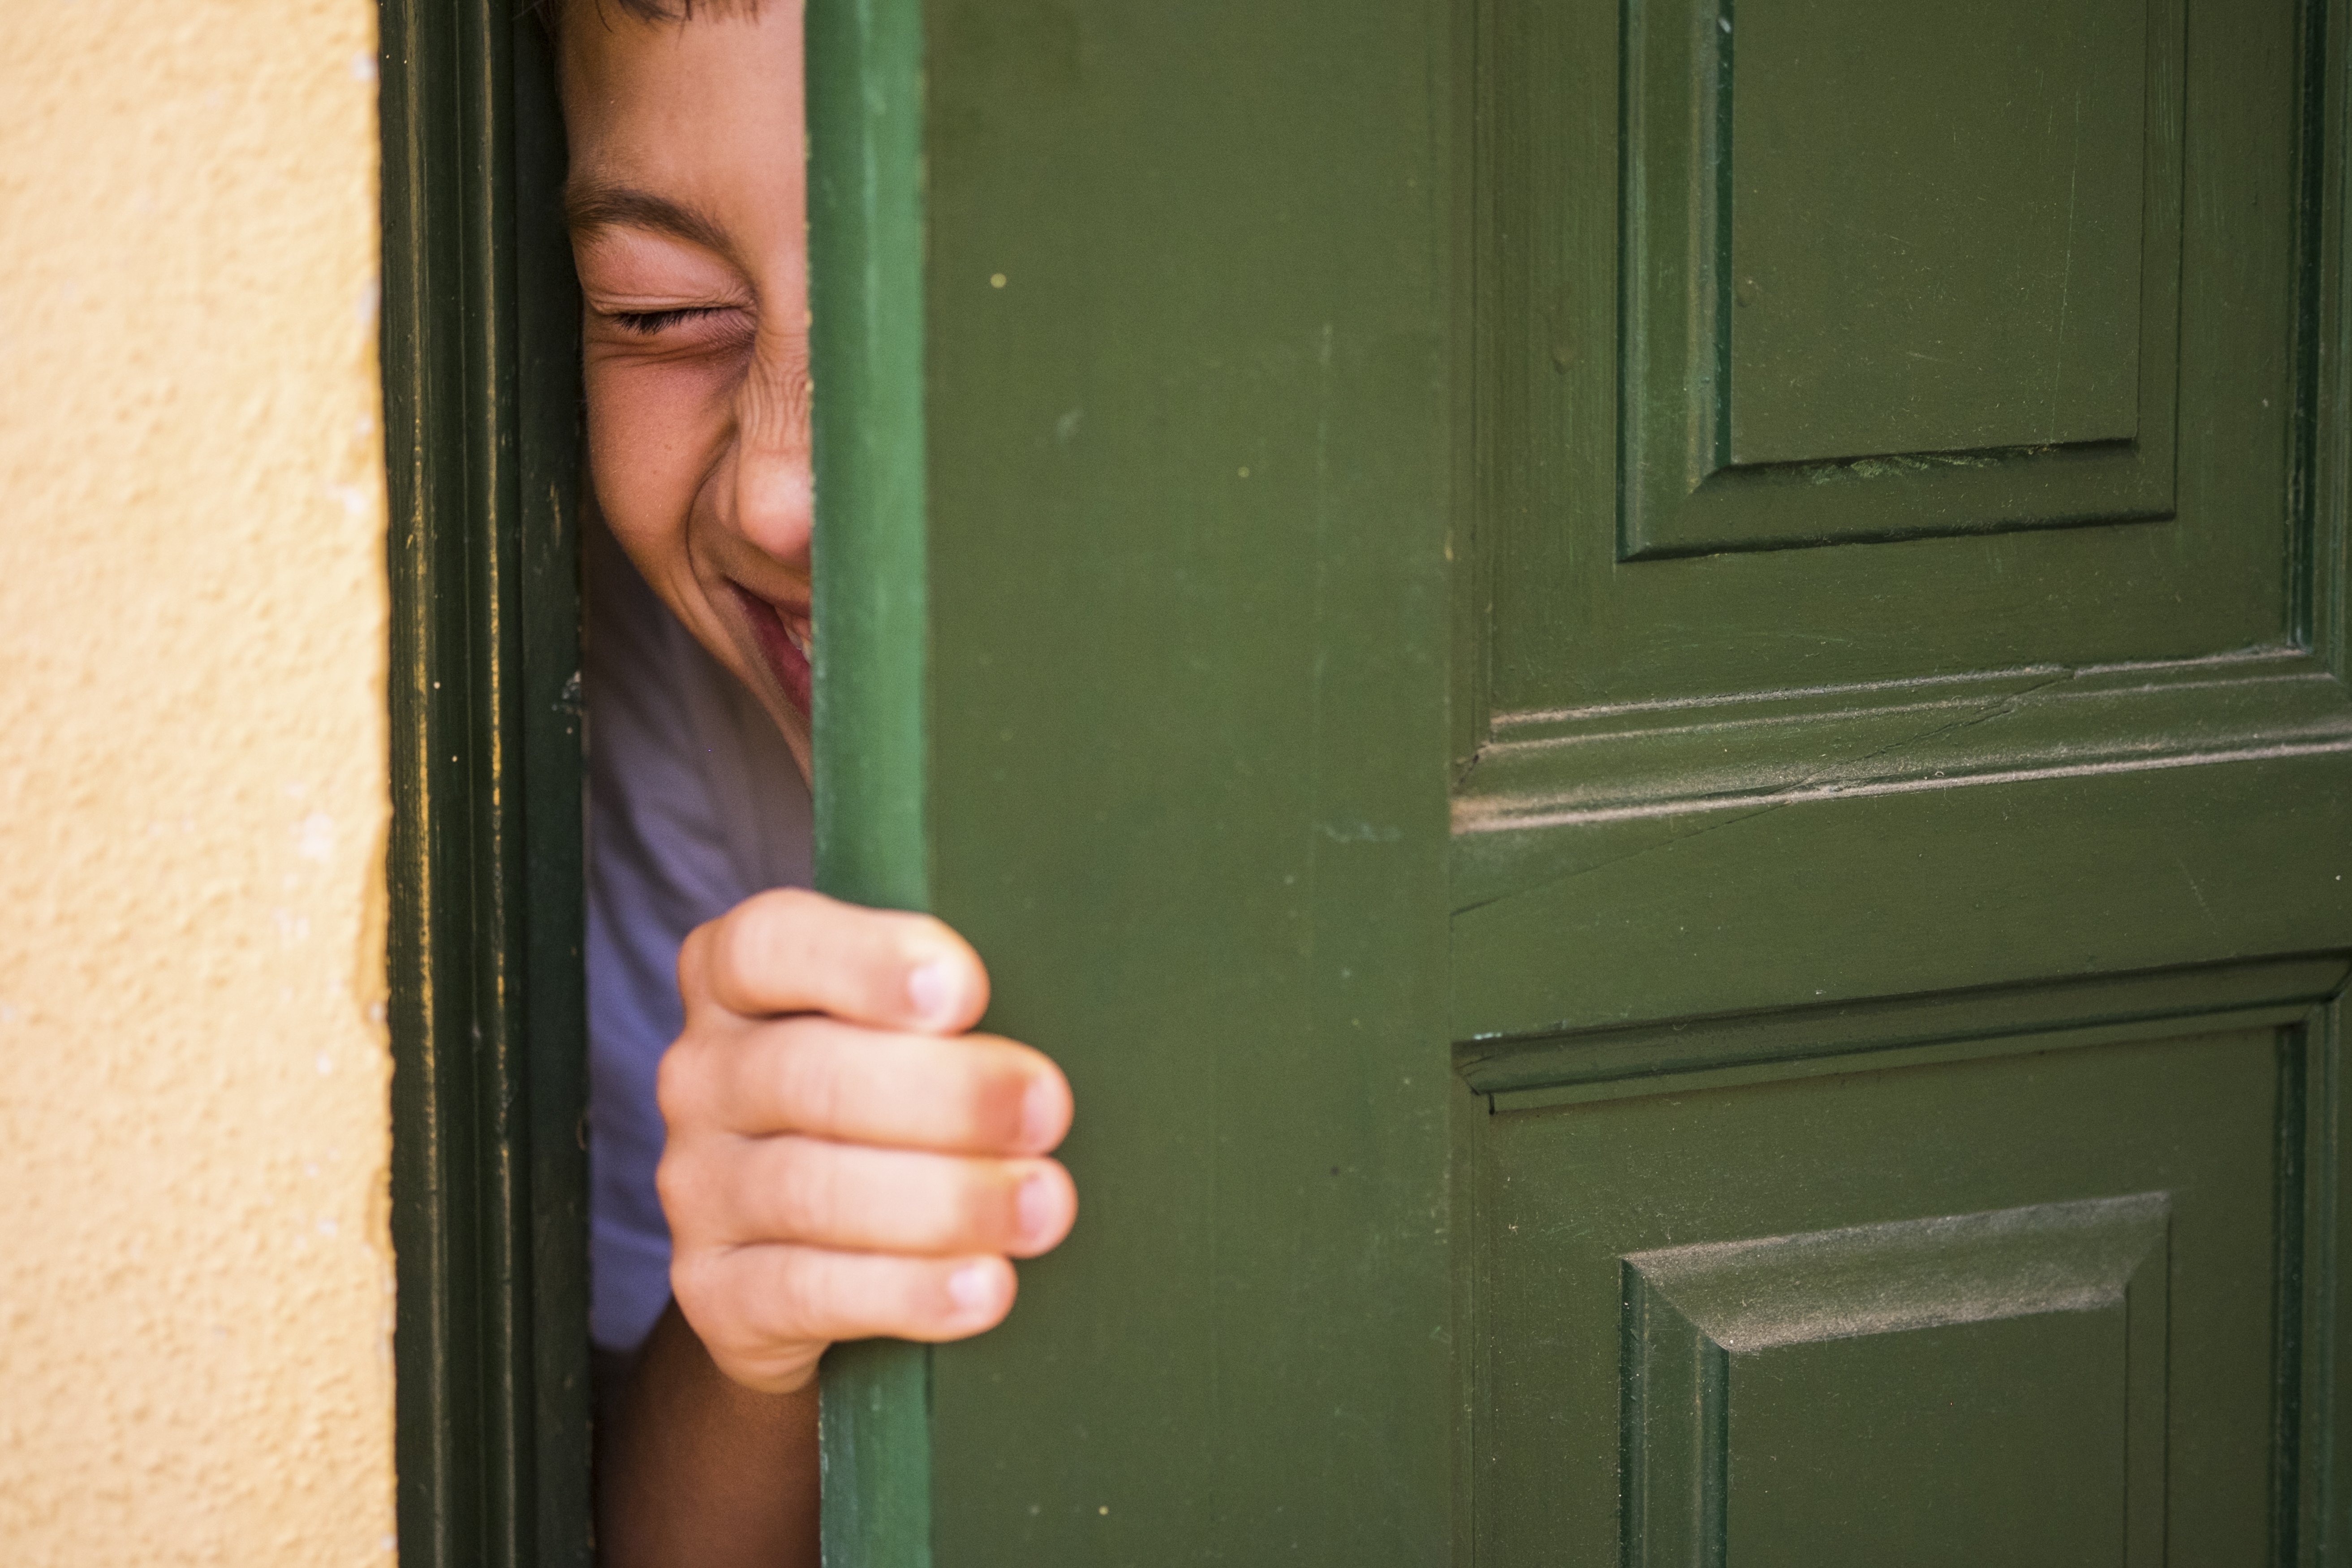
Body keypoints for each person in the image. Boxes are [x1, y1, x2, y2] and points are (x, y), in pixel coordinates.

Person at [554, 2, 1080, 1563]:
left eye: (958, 293)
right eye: (656, 315)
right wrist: (756, 1327)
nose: (777, 494)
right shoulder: (652, 705)